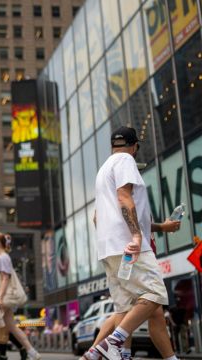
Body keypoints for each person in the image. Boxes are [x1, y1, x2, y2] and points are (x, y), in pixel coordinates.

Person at [83, 126, 176, 360]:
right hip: (128, 245)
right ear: (134, 147)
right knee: (155, 292)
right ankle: (110, 343)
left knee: (124, 308)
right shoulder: (125, 160)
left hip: (109, 248)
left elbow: (97, 217)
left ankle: (117, 354)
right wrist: (135, 236)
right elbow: (124, 197)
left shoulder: (104, 169)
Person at [0, 233, 41, 360]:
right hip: (1, 296)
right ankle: (32, 352)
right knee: (12, 327)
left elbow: (5, 278)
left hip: (1, 296)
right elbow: (3, 278)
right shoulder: (3, 257)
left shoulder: (3, 258)